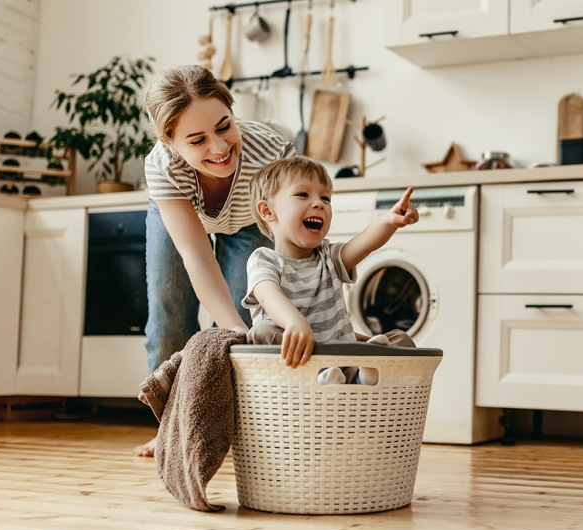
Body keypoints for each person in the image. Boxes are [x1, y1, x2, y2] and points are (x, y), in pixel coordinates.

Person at [134, 65, 294, 457]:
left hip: (251, 221)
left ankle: (232, 429)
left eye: (225, 126)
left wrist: (241, 329)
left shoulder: (273, 153)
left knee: (248, 319)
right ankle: (172, 429)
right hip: (183, 213)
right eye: (198, 140)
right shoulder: (163, 165)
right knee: (169, 315)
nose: (219, 147)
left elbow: (290, 239)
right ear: (170, 143)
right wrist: (232, 329)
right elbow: (195, 255)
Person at [243, 156, 419, 383]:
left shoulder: (329, 257)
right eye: (302, 194)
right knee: (261, 333)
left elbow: (364, 243)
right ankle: (332, 377)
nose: (319, 203)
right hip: (296, 366)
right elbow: (268, 295)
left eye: (325, 198)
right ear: (268, 211)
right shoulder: (264, 259)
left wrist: (389, 221)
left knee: (401, 340)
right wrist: (295, 323)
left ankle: (364, 376)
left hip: (343, 360)